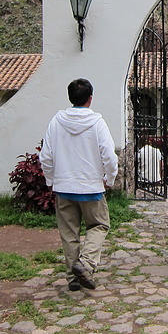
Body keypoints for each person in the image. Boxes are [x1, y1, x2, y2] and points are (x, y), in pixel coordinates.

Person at [39, 78, 118, 291]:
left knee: (69, 233)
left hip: (64, 187)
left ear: (70, 97)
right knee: (99, 225)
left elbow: (46, 155)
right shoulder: (97, 123)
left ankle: (73, 279)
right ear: (90, 99)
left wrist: (51, 179)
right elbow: (109, 156)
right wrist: (109, 179)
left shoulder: (56, 122)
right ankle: (86, 263)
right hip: (91, 187)